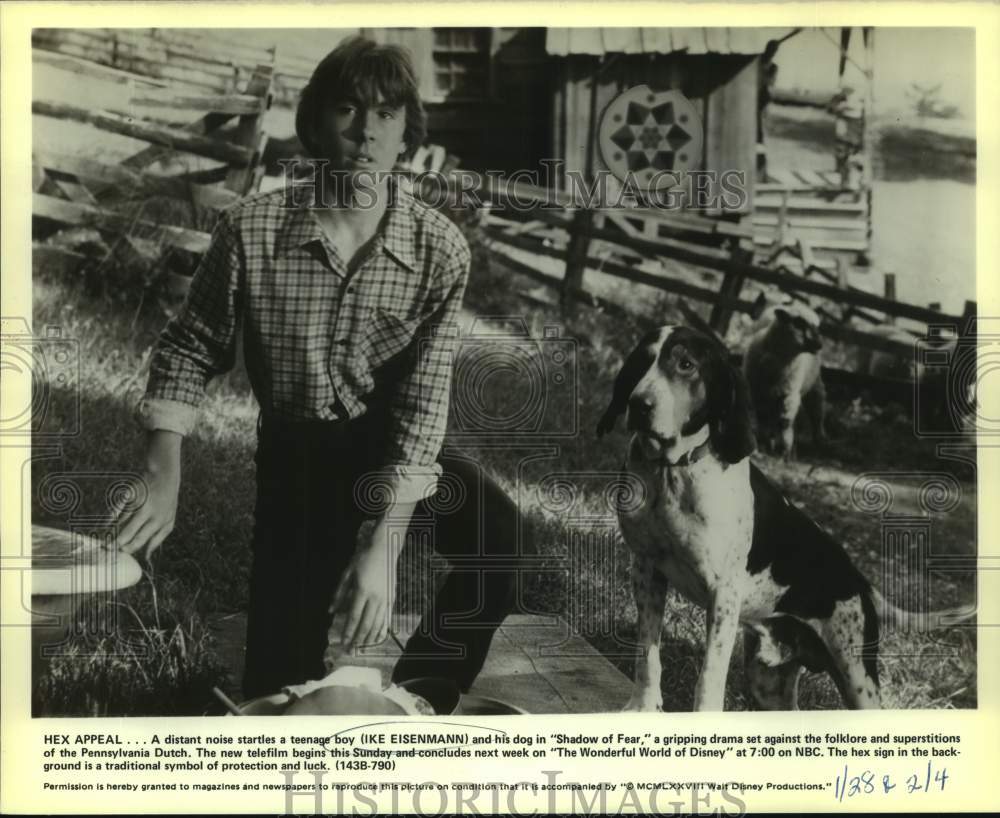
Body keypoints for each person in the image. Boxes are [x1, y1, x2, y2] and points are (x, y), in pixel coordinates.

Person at [116, 36, 526, 699]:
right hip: (299, 460)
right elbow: (191, 347)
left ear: (407, 135)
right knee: (283, 680)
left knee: (497, 538)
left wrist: (384, 542)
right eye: (347, 109)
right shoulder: (251, 231)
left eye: (386, 114)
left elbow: (423, 406)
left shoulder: (439, 249)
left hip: (393, 446)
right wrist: (161, 471)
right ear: (314, 123)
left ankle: (419, 696)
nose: (366, 132)